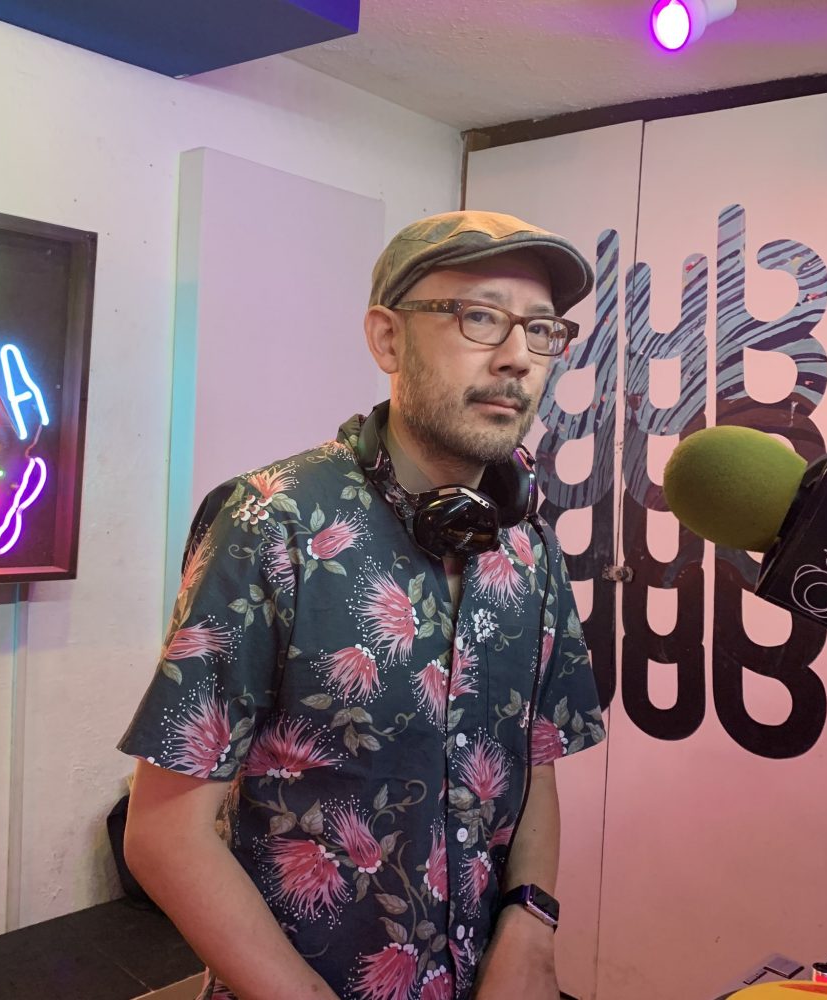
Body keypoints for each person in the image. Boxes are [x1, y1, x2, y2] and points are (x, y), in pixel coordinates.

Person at [119, 210, 606, 1000]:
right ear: (387, 339)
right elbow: (164, 835)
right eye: (480, 318)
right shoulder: (270, 522)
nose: (518, 357)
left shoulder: (530, 543)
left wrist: (532, 926)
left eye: (542, 329)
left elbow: (536, 763)